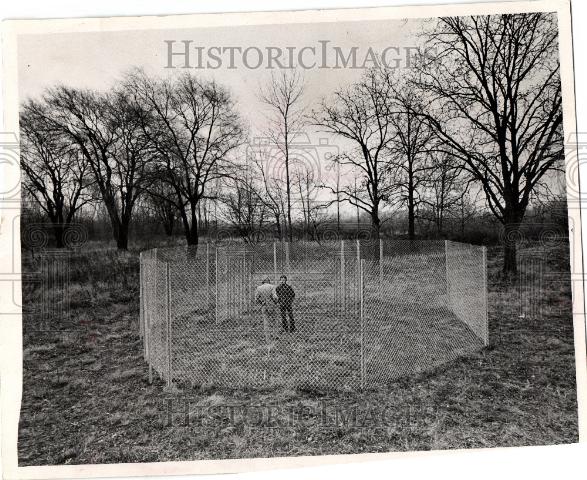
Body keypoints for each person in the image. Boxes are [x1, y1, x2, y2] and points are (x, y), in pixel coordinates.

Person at [254, 277, 278, 343]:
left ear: (263, 282)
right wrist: (276, 302)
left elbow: (256, 299)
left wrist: (261, 302)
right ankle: (275, 335)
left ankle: (267, 338)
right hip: (272, 305)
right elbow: (275, 296)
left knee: (266, 322)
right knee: (274, 321)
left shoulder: (259, 288)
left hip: (264, 306)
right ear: (268, 281)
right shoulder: (272, 286)